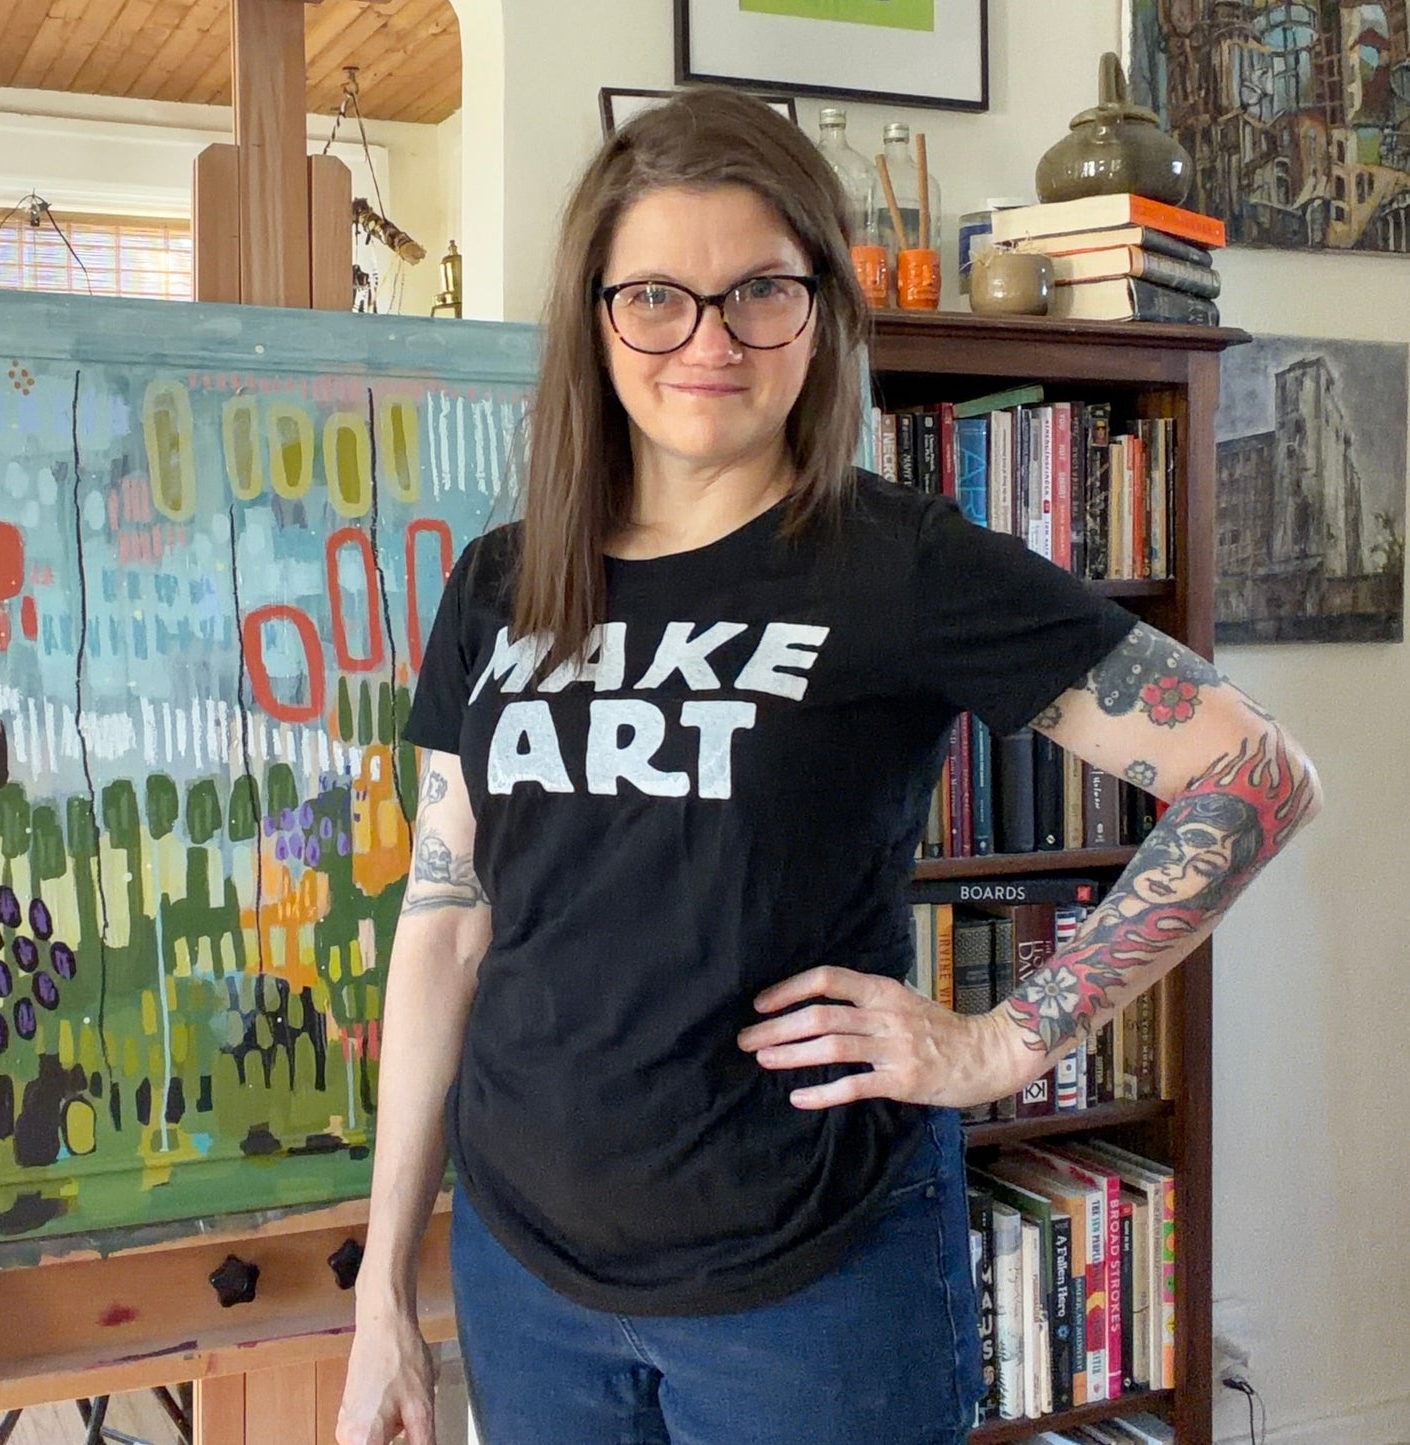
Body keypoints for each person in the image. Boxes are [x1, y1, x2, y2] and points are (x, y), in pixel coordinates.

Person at [335, 88, 1320, 1445]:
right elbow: (444, 925)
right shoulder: (500, 582)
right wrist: (384, 1283)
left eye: (758, 292)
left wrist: (1004, 1039)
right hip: (527, 1273)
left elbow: (1254, 776)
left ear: (822, 308)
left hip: (809, 1289)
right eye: (656, 298)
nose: (708, 339)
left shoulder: (893, 564)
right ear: (596, 316)